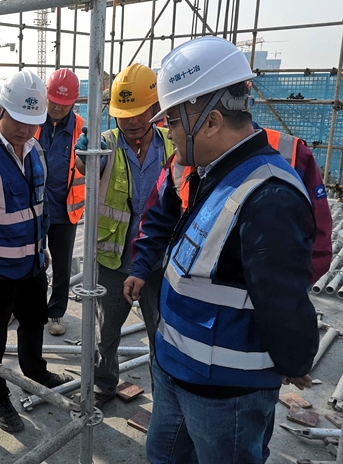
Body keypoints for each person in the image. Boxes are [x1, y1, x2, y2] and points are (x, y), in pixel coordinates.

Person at [124, 36, 318, 464]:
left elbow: (283, 299)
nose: (169, 132)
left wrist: (294, 358)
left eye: (173, 121)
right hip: (177, 369)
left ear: (210, 122)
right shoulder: (212, 171)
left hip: (226, 393)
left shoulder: (268, 195)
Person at [0, 70, 72, 433]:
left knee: (34, 322)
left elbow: (39, 208)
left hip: (31, 264)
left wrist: (41, 248)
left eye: (32, 122)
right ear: (0, 111)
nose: (25, 130)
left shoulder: (36, 151)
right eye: (18, 120)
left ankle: (35, 372)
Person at [74, 64, 173, 408]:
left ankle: (165, 399)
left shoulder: (171, 146)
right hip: (113, 260)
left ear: (155, 108)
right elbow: (87, 167)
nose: (132, 121)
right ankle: (104, 385)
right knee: (107, 332)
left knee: (162, 335)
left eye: (140, 112)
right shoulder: (105, 144)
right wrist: (84, 156)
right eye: (124, 114)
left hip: (159, 262)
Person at [166, 124, 332, 281]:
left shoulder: (291, 151)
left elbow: (318, 240)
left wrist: (291, 287)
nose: (170, 134)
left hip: (262, 291)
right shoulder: (181, 157)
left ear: (213, 120)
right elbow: (162, 222)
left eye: (174, 121)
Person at [35, 68, 85, 336]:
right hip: (34, 209)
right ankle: (29, 307)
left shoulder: (82, 129)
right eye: (53, 101)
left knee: (62, 267)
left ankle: (55, 313)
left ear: (73, 102)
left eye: (63, 104)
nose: (57, 108)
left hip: (65, 212)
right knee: (31, 262)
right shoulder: (33, 122)